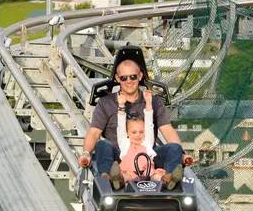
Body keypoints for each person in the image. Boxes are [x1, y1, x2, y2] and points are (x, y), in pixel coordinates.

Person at [78, 52, 189, 190]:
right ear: (118, 79)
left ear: (140, 76)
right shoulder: (106, 103)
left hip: (148, 153)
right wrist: (86, 153)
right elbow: (94, 132)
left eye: (133, 77)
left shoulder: (154, 102)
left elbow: (167, 129)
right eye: (124, 78)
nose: (129, 81)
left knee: (174, 148)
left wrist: (181, 154)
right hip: (120, 154)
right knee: (102, 145)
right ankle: (108, 178)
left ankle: (171, 178)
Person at [114, 90, 167, 184]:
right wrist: (121, 105)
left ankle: (169, 180)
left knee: (157, 175)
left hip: (148, 174)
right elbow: (121, 125)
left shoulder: (147, 143)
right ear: (127, 133)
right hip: (130, 173)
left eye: (141, 132)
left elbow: (149, 124)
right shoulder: (125, 143)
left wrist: (148, 102)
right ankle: (118, 180)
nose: (138, 135)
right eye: (134, 132)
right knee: (126, 176)